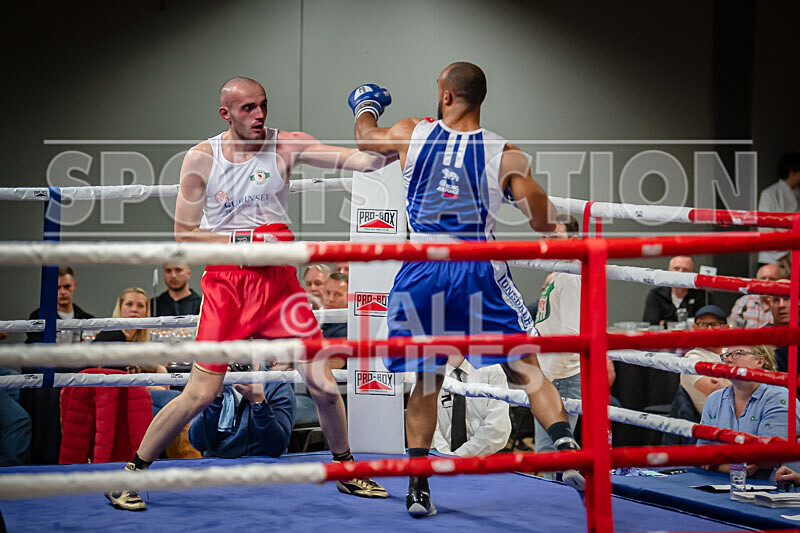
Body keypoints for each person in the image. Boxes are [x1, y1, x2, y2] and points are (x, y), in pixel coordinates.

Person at [106, 77, 388, 512]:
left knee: (325, 386)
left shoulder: (287, 145)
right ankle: (132, 473)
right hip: (228, 287)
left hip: (279, 287)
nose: (259, 116)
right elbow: (183, 236)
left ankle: (347, 471)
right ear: (226, 113)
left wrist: (365, 113)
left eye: (263, 106)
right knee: (199, 394)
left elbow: (367, 162)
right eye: (247, 109)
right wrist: (245, 243)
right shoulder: (202, 158)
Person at [350, 62, 583, 518]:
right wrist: (552, 218)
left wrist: (365, 104)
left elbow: (365, 140)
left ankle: (418, 487)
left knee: (428, 379)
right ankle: (566, 445)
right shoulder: (504, 152)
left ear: (447, 96)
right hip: (479, 269)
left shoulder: (411, 132)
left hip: (424, 272)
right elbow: (541, 220)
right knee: (525, 367)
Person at [699, 345, 799, 476]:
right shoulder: (714, 399)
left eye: (738, 353)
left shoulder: (780, 398)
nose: (729, 359)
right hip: (719, 484)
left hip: (770, 489)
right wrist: (727, 467)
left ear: (760, 361)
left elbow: (768, 457)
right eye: (726, 355)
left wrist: (718, 464)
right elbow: (702, 452)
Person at [188, 366, 295, 459]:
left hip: (262, 467)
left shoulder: (276, 383)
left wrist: (258, 402)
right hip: (216, 467)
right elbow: (198, 443)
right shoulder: (208, 381)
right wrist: (214, 399)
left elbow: (277, 447)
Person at [432, 355, 510, 457]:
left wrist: (457, 459)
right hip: (436, 461)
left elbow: (497, 429)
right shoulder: (426, 371)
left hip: (482, 460)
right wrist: (445, 458)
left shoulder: (492, 369)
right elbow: (422, 425)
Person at [679, 305, 731, 415]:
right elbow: (719, 392)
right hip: (720, 423)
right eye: (703, 324)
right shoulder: (692, 360)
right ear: (695, 328)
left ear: (726, 328)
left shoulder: (734, 353)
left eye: (715, 324)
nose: (709, 329)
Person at [26, 266, 95, 344]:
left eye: (67, 286)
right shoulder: (37, 317)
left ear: (74, 285)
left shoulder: (87, 319)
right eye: (57, 287)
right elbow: (34, 346)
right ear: (51, 289)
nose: (62, 292)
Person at [757, 152, 800, 273]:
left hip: (795, 256)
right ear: (792, 172)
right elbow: (765, 230)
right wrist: (785, 261)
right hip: (773, 258)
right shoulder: (770, 194)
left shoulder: (797, 193)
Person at [642, 256, 713, 326]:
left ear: (692, 273)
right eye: (676, 268)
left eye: (685, 270)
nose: (680, 273)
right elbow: (650, 325)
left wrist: (664, 323)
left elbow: (705, 325)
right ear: (668, 270)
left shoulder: (702, 296)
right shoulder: (656, 294)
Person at [727, 264, 781, 328]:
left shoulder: (784, 304)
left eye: (772, 279)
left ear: (780, 281)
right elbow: (732, 326)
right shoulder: (744, 301)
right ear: (757, 281)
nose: (766, 282)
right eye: (763, 278)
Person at [764, 283, 798, 372]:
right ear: (769, 303)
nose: (781, 305)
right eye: (776, 300)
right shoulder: (761, 337)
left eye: (786, 299)